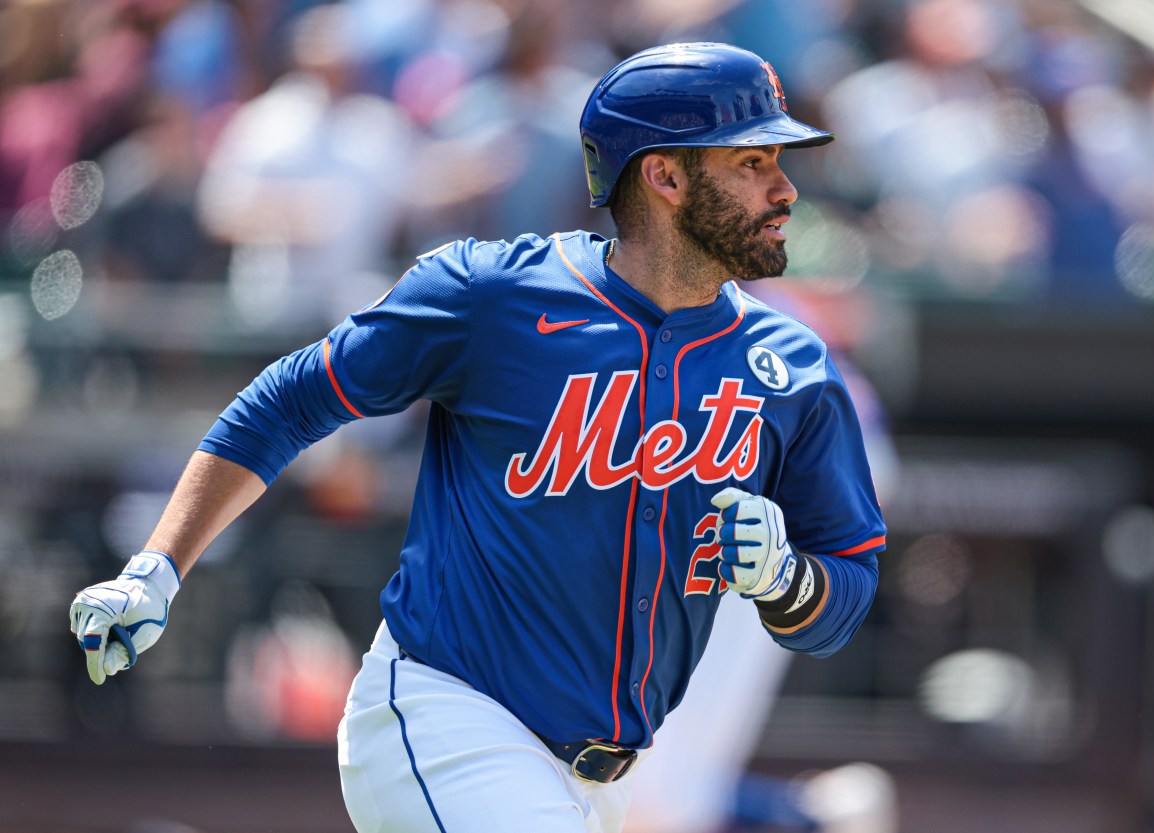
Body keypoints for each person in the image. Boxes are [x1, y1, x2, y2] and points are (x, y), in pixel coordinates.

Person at [68, 42, 887, 833]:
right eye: (751, 162)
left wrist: (788, 579)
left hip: (602, 783)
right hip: (447, 718)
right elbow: (289, 399)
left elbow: (843, 590)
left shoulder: (793, 366)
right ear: (665, 175)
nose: (785, 188)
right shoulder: (493, 295)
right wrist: (158, 565)